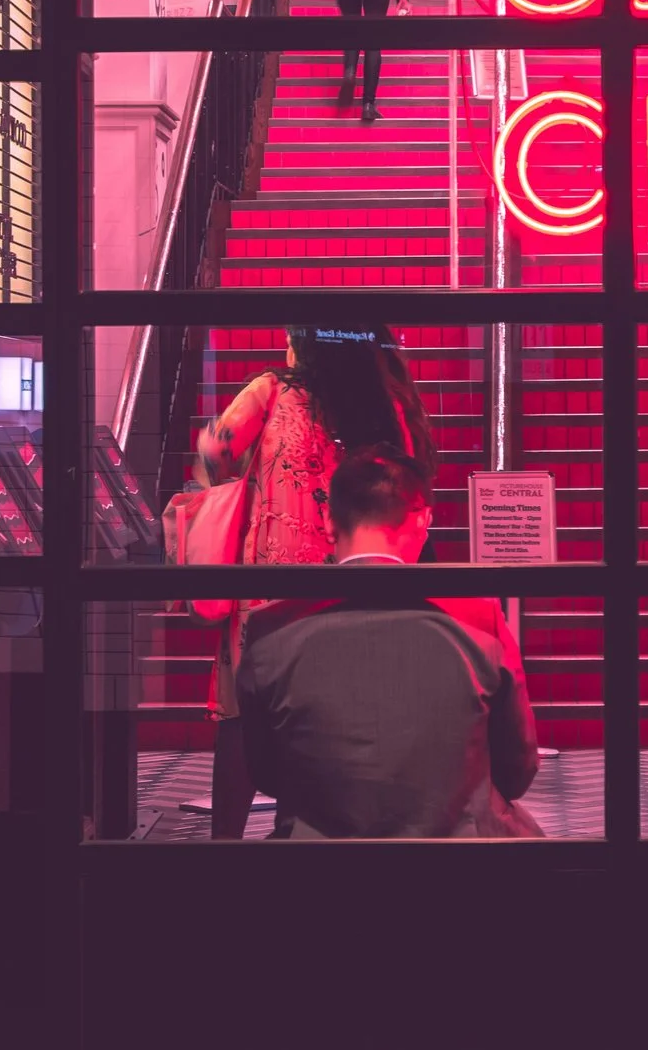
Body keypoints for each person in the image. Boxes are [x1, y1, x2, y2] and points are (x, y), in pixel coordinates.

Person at [194, 327, 437, 838]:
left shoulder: (273, 389)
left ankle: (222, 847)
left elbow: (216, 449)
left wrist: (248, 486)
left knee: (242, 713)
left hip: (266, 578)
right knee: (322, 708)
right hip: (346, 576)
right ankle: (302, 829)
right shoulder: (381, 401)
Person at [236, 451, 543, 838]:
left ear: (329, 523)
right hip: (461, 861)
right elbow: (518, 766)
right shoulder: (479, 620)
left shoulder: (272, 626)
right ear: (424, 521)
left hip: (315, 867)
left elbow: (264, 770)